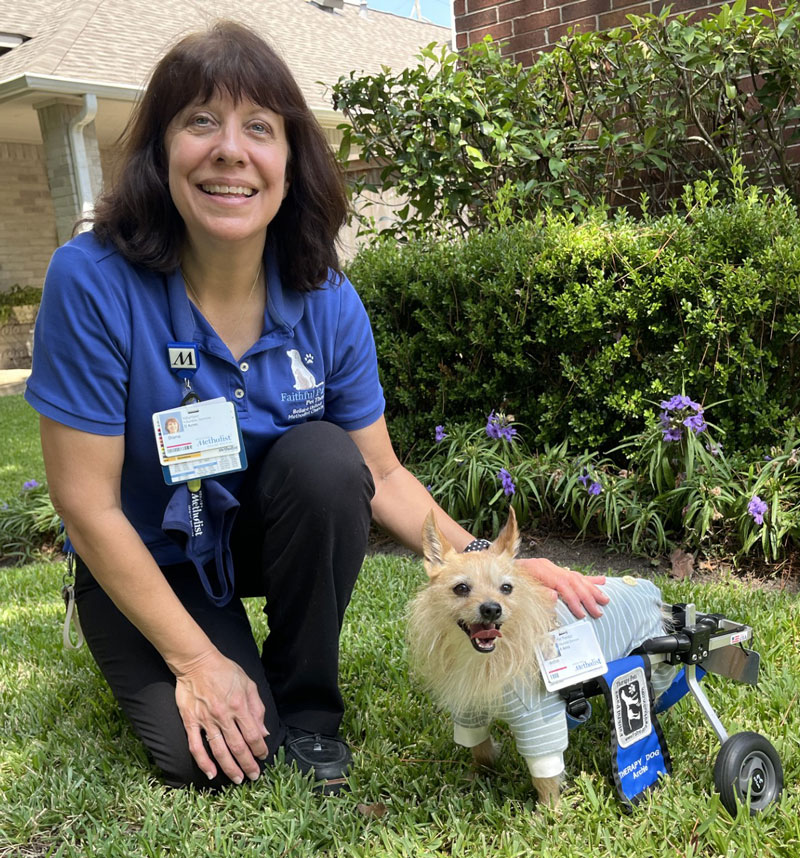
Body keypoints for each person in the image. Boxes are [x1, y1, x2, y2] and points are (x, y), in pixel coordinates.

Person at [25, 21, 608, 792]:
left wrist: (490, 564)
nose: (230, 150)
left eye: (259, 128)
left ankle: (307, 707)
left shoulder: (326, 298)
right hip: (150, 551)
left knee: (327, 461)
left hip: (262, 535)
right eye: (200, 121)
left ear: (291, 161)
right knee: (215, 761)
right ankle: (198, 648)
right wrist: (196, 660)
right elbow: (86, 502)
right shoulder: (93, 281)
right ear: (159, 151)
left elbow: (380, 473)